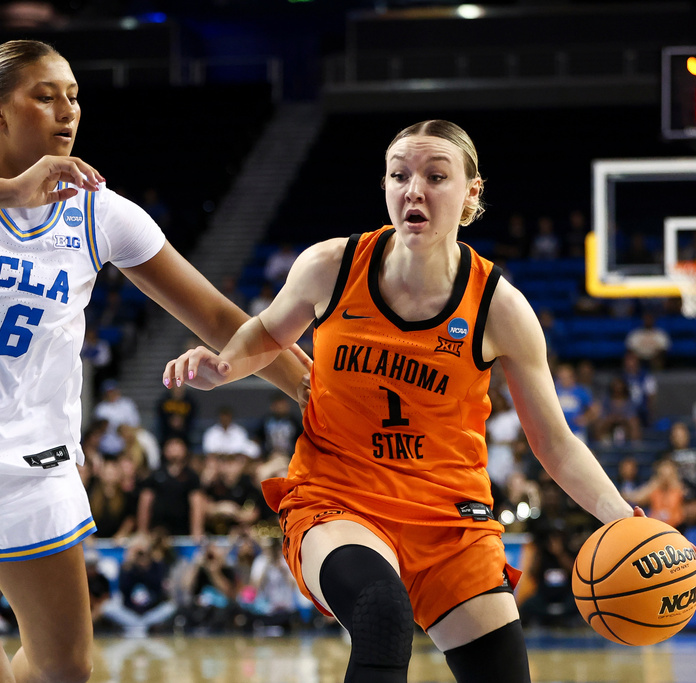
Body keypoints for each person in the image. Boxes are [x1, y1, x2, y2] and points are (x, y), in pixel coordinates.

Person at [0, 40, 310, 683]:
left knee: (64, 666)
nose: (67, 110)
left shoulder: (100, 211)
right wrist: (9, 192)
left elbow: (222, 319)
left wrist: (318, 394)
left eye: (73, 97)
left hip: (29, 451)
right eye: (45, 96)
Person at [163, 119, 639, 683]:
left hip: (450, 518)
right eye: (399, 175)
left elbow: (554, 444)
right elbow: (268, 332)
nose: (414, 190)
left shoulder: (500, 307)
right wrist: (226, 365)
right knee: (382, 613)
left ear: (470, 194)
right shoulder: (331, 267)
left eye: (435, 176)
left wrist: (623, 519)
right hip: (338, 500)